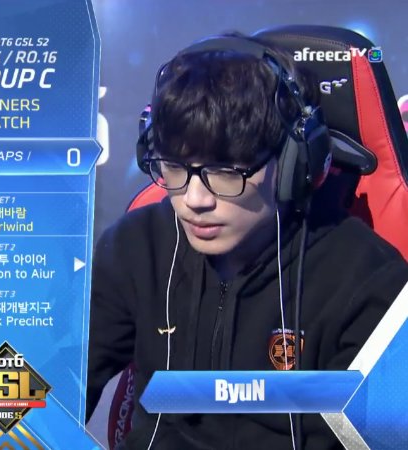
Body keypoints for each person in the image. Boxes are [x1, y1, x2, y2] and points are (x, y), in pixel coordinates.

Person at [86, 34, 408, 449]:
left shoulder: (371, 280)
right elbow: (39, 380)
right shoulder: (136, 245)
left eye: (226, 172)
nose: (194, 200)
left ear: (292, 165)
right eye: (174, 167)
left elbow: (388, 436)